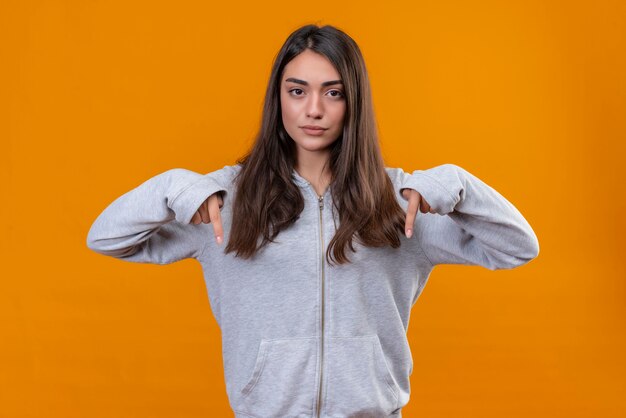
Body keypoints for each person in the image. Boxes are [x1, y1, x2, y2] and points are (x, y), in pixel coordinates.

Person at [86, 24, 539, 418]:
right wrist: (173, 187)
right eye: (297, 91)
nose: (314, 109)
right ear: (278, 99)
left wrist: (457, 185)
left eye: (333, 92)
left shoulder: (401, 202)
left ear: (353, 102)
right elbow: (105, 238)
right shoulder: (222, 201)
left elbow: (518, 246)